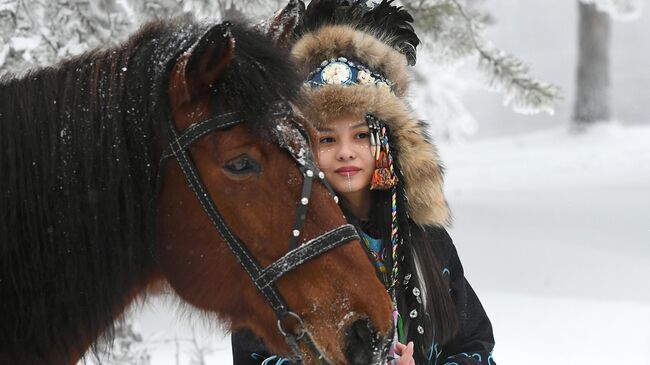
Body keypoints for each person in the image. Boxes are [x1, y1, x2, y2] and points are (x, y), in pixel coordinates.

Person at [232, 1, 496, 364]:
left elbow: (475, 345)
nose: (345, 152)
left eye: (360, 135)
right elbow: (253, 356)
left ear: (387, 142)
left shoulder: (427, 244)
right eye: (326, 139)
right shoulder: (278, 254)